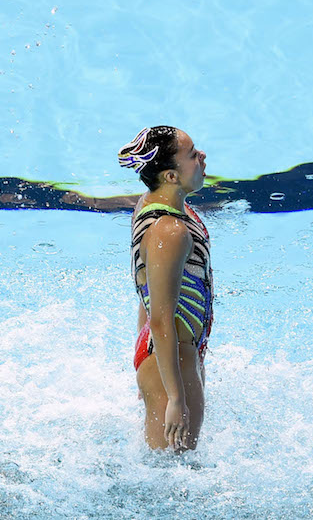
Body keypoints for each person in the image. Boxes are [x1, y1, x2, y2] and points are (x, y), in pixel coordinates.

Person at [118, 126, 212, 452]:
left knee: (168, 475)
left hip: (163, 352)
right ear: (171, 176)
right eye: (192, 154)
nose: (202, 157)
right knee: (170, 483)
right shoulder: (169, 231)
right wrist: (173, 395)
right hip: (170, 355)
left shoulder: (155, 204)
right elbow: (161, 318)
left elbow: (149, 291)